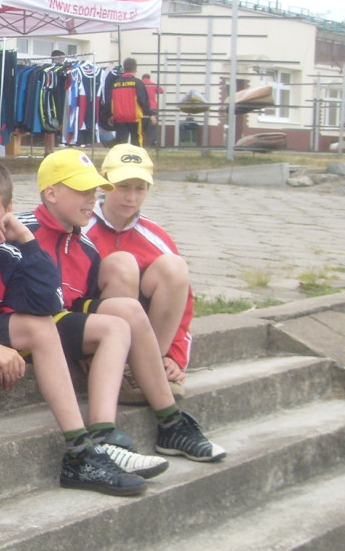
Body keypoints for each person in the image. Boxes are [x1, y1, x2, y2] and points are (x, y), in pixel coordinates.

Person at [0, 157, 168, 498]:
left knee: (39, 326)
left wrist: (25, 240)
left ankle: (81, 453)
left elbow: (47, 303)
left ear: (8, 210)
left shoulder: (6, 247)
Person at [18, 149, 226, 464]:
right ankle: (103, 433)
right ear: (52, 193)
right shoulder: (22, 231)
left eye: (92, 191)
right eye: (82, 192)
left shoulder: (81, 242)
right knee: (116, 319)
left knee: (128, 311)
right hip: (29, 328)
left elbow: (85, 296)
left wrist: (174, 355)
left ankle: (170, 422)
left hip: (64, 321)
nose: (90, 199)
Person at [85, 143, 192, 401]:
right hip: (94, 325)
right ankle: (112, 366)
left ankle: (154, 363)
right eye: (122, 186)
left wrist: (176, 354)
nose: (131, 197)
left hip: (143, 334)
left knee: (175, 267)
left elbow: (185, 301)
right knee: (123, 265)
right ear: (104, 183)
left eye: (139, 188)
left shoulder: (155, 236)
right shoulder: (82, 227)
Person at [104, 57, 154, 147]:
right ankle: (137, 158)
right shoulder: (137, 83)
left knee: (121, 142)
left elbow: (110, 100)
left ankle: (120, 158)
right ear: (136, 69)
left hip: (119, 117)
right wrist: (150, 114)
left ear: (123, 69)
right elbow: (143, 100)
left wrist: (110, 115)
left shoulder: (115, 83)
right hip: (134, 117)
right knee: (137, 140)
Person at [42, 50, 67, 156]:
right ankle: (50, 150)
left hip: (49, 98)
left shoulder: (50, 70)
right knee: (52, 123)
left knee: (49, 126)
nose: (63, 61)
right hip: (54, 99)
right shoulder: (53, 71)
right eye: (62, 59)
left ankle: (47, 150)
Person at [141, 74, 164, 147]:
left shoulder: (140, 84)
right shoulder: (153, 84)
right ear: (149, 78)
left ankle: (141, 145)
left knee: (141, 128)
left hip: (142, 108)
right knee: (152, 129)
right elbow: (161, 90)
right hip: (153, 108)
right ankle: (150, 145)